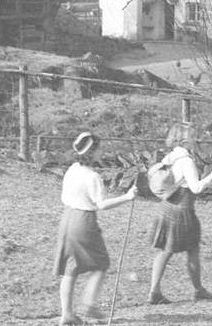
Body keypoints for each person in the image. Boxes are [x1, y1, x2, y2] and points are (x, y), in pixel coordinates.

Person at [54, 131, 136, 326]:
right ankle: (89, 303)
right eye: (99, 149)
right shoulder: (92, 176)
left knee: (70, 269)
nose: (102, 153)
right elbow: (101, 204)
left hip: (67, 219)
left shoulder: (72, 169)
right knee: (101, 263)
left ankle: (66, 315)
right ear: (91, 152)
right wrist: (127, 197)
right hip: (84, 221)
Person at [147, 122, 212, 305]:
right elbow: (195, 188)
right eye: (193, 136)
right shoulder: (186, 161)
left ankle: (154, 291)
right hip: (182, 211)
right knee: (192, 249)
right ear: (185, 140)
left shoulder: (171, 157)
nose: (196, 139)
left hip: (168, 208)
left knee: (165, 251)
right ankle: (198, 290)